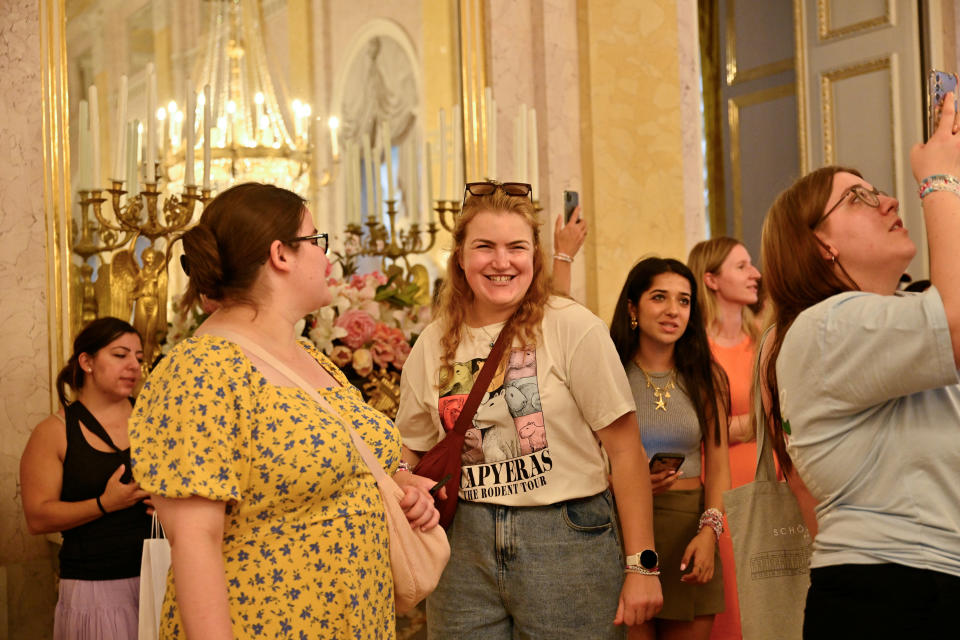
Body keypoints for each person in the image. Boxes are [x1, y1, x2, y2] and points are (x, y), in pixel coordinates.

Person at [129, 183, 439, 639]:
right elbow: (195, 543)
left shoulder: (306, 354)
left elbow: (324, 465)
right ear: (281, 255)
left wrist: (398, 485)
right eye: (317, 240)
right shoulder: (202, 370)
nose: (325, 256)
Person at [395, 181, 663, 639]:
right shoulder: (434, 343)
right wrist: (403, 479)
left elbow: (624, 451)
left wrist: (642, 566)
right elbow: (409, 451)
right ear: (460, 256)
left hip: (567, 538)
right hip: (464, 544)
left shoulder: (572, 327)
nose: (502, 262)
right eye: (484, 247)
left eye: (516, 247)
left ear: (535, 256)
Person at [759, 95, 960, 637]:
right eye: (858, 197)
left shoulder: (893, 322)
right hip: (889, 592)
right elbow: (957, 318)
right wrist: (939, 180)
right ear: (819, 242)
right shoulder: (822, 329)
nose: (890, 201)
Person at [610, 257, 731, 640]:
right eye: (659, 297)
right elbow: (583, 457)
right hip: (620, 529)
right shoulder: (609, 372)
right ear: (633, 307)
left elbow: (720, 466)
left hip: (690, 533)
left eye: (683, 301)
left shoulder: (706, 375)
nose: (672, 311)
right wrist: (626, 484)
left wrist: (710, 532)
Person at [20, 317, 151, 640]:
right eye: (121, 355)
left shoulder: (154, 420)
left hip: (159, 576)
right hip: (95, 587)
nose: (133, 365)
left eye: (138, 357)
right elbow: (38, 517)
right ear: (87, 361)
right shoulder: (53, 432)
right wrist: (105, 504)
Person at [687, 237, 761, 640]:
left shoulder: (765, 339)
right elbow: (693, 429)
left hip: (771, 480)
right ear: (711, 279)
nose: (756, 274)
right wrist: (755, 423)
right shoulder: (696, 349)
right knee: (730, 609)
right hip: (721, 490)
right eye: (742, 266)